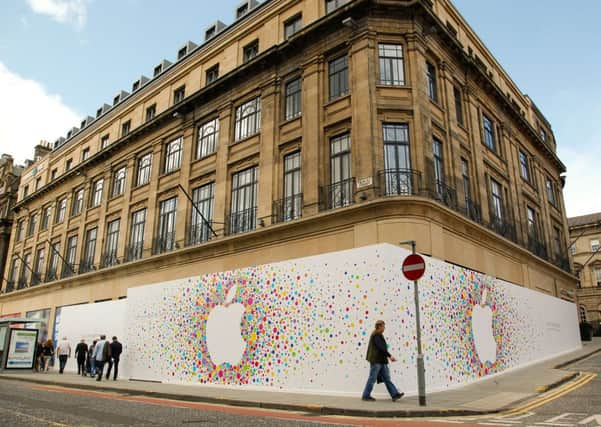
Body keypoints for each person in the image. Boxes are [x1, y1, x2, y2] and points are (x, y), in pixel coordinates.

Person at [361, 320, 404, 402]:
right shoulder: (376, 335)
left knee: (387, 378)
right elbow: (381, 348)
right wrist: (390, 356)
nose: (384, 328)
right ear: (379, 326)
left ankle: (394, 394)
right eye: (383, 326)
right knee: (372, 378)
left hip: (381, 361)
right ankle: (366, 395)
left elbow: (382, 348)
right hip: (376, 361)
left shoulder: (379, 335)